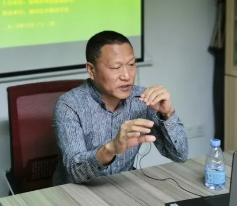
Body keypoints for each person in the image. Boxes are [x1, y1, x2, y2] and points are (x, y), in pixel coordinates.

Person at [52, 31, 189, 185]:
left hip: (122, 186)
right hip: (77, 192)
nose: (126, 76)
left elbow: (180, 155)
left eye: (131, 65)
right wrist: (111, 148)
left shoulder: (143, 99)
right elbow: (76, 173)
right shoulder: (69, 106)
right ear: (91, 70)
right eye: (116, 67)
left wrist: (167, 114)